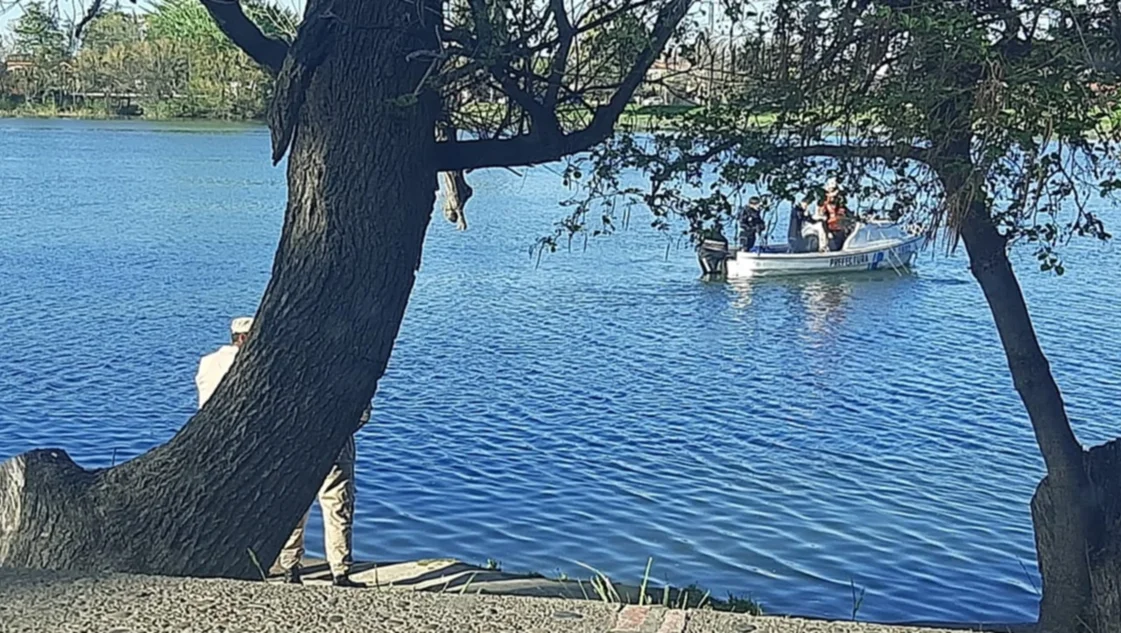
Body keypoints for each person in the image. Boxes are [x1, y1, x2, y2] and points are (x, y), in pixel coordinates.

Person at [195, 317, 368, 589]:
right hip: (332, 442)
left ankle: (289, 567)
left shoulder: (227, 363)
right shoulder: (341, 363)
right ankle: (340, 571)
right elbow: (362, 409)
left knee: (292, 506)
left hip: (289, 443)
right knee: (338, 506)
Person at [820, 178, 849, 251]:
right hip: (831, 231)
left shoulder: (840, 204)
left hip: (841, 230)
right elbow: (821, 217)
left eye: (835, 191)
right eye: (831, 191)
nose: (834, 195)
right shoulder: (825, 204)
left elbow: (847, 214)